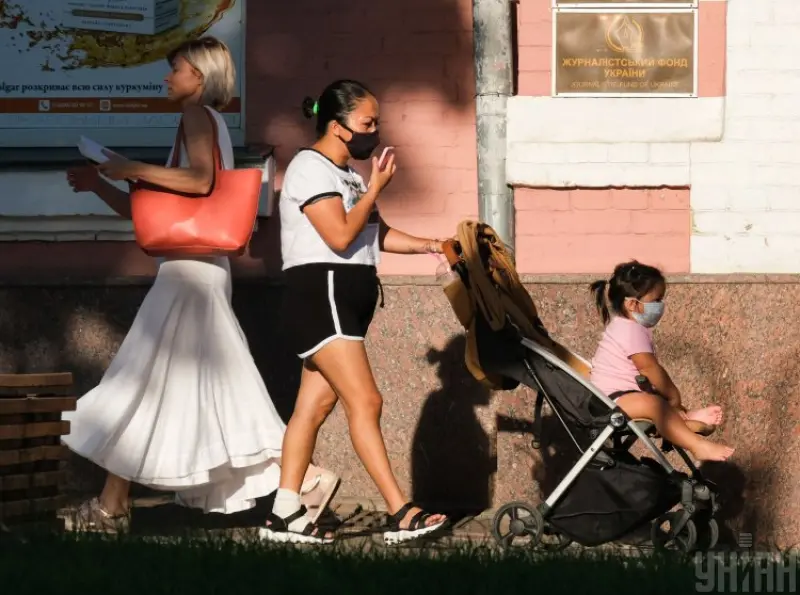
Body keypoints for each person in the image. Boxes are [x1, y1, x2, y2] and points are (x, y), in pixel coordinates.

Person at [62, 36, 337, 532]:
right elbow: (154, 215)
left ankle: (113, 505)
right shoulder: (208, 122)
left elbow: (200, 181)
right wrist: (102, 182)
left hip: (188, 275)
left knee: (142, 379)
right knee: (171, 384)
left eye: (176, 69)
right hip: (197, 269)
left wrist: (130, 168)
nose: (167, 77)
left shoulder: (195, 115)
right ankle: (113, 502)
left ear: (200, 76)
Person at [261, 79, 449, 545]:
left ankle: (284, 512)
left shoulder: (348, 174)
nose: (375, 132)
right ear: (336, 126)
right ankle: (400, 511)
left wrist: (434, 245)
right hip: (321, 294)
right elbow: (341, 235)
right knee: (367, 402)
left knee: (313, 405)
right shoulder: (309, 167)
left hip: (344, 299)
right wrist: (377, 187)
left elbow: (374, 233)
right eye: (367, 123)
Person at [588, 260, 735, 462]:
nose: (660, 306)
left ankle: (683, 418)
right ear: (632, 304)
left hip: (622, 397)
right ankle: (696, 444)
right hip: (612, 401)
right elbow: (649, 369)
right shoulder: (630, 330)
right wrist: (674, 397)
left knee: (656, 401)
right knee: (655, 404)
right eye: (656, 300)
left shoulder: (627, 327)